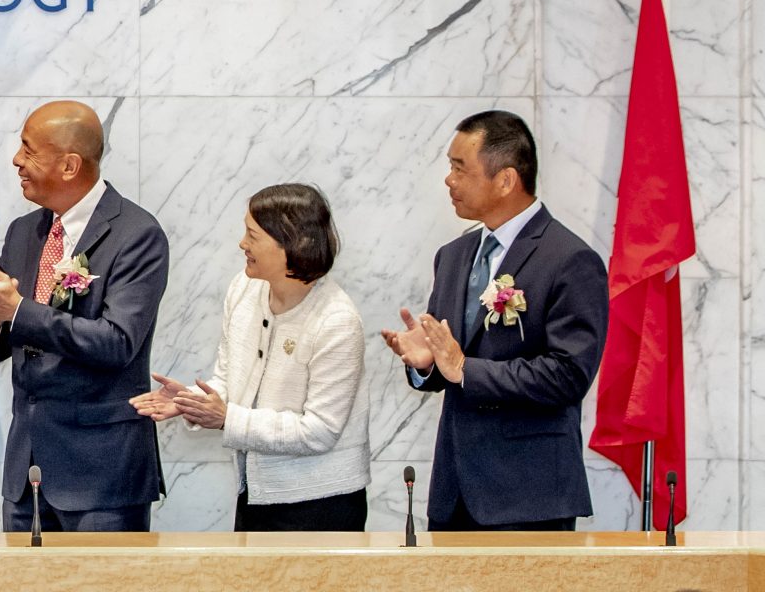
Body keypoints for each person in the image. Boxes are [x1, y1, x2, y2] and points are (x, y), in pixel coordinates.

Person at [381, 109, 608, 531]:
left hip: (528, 495)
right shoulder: (452, 256)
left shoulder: (570, 259)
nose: (448, 180)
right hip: (454, 492)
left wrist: (466, 368)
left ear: (505, 180)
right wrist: (428, 364)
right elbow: (452, 365)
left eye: (459, 168)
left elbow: (569, 375)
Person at [0, 100, 169, 532]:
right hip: (25, 471)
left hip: (101, 475)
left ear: (70, 165)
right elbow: (13, 338)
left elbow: (117, 342)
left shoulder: (136, 234)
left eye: (29, 150)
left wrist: (18, 310)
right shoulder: (24, 231)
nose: (16, 160)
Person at [132, 184, 370, 531]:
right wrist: (191, 402)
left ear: (295, 243)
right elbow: (228, 381)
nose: (242, 244)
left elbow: (319, 431)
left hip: (321, 503)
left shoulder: (337, 321)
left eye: (253, 235)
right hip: (255, 494)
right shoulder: (243, 289)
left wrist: (227, 419)